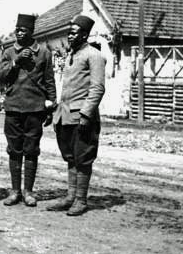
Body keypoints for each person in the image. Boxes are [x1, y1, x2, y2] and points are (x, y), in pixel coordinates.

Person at [47, 14, 106, 216]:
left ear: (85, 34)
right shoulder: (72, 55)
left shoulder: (94, 55)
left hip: (82, 117)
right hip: (65, 116)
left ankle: (80, 200)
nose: (70, 36)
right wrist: (57, 114)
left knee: (83, 158)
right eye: (69, 33)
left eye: (74, 33)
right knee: (71, 157)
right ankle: (70, 197)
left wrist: (86, 114)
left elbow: (97, 88)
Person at [0, 14, 56, 207]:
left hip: (35, 108)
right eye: (17, 30)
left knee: (31, 150)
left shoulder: (44, 52)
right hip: (14, 107)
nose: (19, 33)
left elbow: (49, 81)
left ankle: (28, 192)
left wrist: (51, 104)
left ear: (32, 32)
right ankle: (14, 191)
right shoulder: (8, 51)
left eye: (23, 30)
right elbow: (1, 77)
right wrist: (16, 62)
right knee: (14, 150)